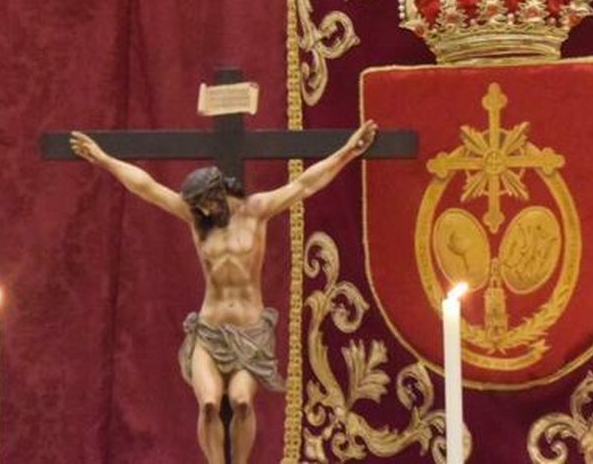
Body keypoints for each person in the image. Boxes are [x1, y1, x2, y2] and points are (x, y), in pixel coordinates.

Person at [69, 120, 379, 464]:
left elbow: (306, 184)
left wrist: (348, 151)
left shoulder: (257, 210)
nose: (200, 212)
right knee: (210, 404)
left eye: (204, 205)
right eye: (196, 207)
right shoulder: (196, 219)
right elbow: (148, 187)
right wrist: (105, 159)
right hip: (210, 331)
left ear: (218, 195)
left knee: (243, 402)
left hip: (250, 332)